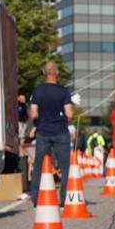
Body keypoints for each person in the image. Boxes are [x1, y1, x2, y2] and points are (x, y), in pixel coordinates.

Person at [28, 61, 74, 207]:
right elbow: (70, 113)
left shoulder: (37, 91)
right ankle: (64, 199)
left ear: (43, 72)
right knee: (65, 166)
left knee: (39, 165)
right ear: (57, 72)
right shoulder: (63, 91)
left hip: (43, 132)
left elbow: (34, 114)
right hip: (61, 131)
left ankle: (35, 199)